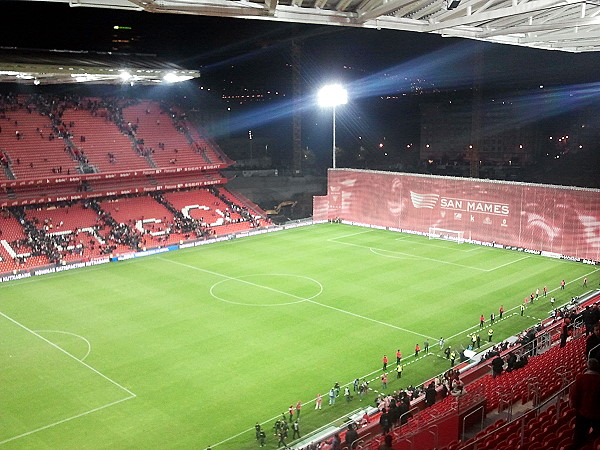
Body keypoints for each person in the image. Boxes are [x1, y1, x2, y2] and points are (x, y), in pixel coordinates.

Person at [569, 358, 600, 449]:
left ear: (588, 366)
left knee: (580, 433)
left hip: (583, 411)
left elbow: (574, 394)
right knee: (596, 433)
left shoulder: (581, 378)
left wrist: (574, 406)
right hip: (597, 412)